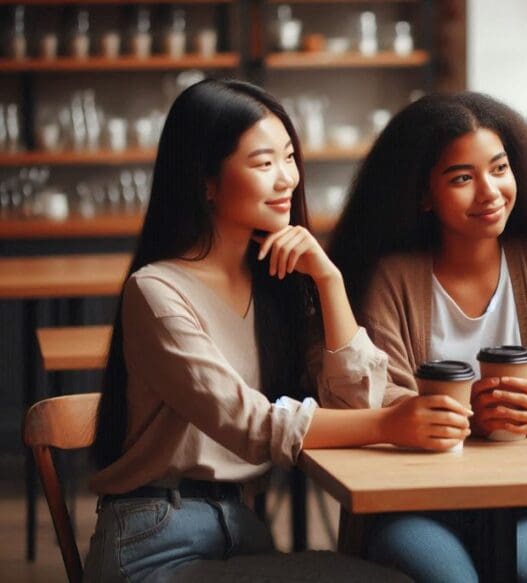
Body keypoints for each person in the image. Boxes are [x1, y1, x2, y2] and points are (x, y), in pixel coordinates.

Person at [85, 79, 469, 582]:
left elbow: (357, 402)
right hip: (155, 540)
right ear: (206, 181)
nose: (287, 178)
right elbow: (252, 425)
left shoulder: (276, 282)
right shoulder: (156, 292)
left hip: (240, 532)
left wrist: (329, 281)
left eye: (289, 157)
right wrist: (389, 426)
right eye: (264, 163)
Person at [328, 92, 527, 582]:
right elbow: (381, 396)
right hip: (416, 501)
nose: (489, 191)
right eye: (462, 177)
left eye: (499, 168)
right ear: (423, 195)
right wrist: (465, 418)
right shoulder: (393, 278)